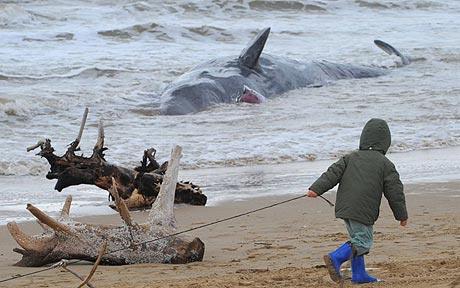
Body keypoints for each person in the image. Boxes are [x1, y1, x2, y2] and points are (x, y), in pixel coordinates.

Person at [306, 118, 408, 284]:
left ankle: (359, 275)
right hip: (363, 210)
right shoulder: (385, 164)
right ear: (385, 142)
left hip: (345, 207)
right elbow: (395, 192)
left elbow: (332, 173)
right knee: (363, 242)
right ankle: (335, 257)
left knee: (357, 239)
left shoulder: (350, 157)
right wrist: (401, 215)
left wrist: (315, 189)